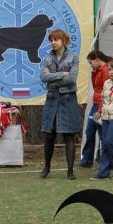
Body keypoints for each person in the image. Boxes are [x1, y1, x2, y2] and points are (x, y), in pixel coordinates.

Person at [40, 29, 81, 180]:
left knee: (69, 135)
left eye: (56, 40)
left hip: (68, 98)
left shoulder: (73, 57)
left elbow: (72, 79)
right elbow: (43, 77)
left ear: (64, 41)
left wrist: (53, 78)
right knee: (48, 134)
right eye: (51, 40)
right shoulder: (47, 57)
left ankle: (70, 171)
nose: (53, 42)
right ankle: (46, 168)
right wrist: (61, 74)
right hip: (51, 98)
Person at [80, 50, 112, 168]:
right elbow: (95, 87)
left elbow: (106, 90)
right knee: (90, 131)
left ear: (97, 59)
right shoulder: (97, 71)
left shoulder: (106, 70)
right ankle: (87, 159)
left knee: (103, 134)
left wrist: (101, 108)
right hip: (96, 102)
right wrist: (94, 72)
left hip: (102, 104)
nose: (91, 66)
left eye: (91, 63)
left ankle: (107, 161)